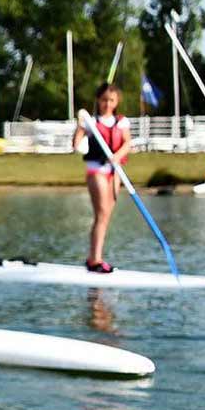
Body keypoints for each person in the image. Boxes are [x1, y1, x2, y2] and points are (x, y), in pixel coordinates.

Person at [72, 83, 131, 273]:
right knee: (102, 213)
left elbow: (127, 143)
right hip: (96, 170)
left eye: (111, 100)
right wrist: (80, 129)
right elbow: (77, 144)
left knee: (106, 217)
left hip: (115, 172)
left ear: (116, 102)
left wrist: (116, 156)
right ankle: (95, 260)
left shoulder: (121, 122)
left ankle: (95, 258)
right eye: (104, 100)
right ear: (99, 100)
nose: (107, 103)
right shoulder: (91, 122)